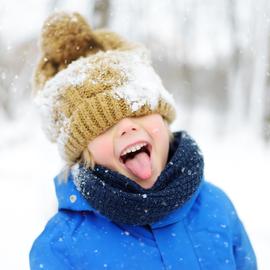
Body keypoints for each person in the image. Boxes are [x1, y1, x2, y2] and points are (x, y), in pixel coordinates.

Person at [29, 12, 257, 270]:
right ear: (82, 152)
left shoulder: (215, 206)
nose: (127, 126)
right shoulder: (62, 246)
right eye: (103, 125)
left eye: (138, 109)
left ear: (164, 119)